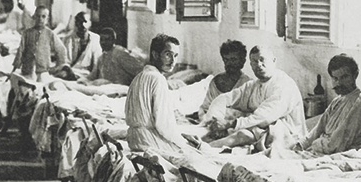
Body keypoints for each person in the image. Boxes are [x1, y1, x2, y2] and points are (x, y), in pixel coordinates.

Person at [204, 47, 305, 149]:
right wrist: (216, 119)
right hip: (260, 129)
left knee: (242, 134)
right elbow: (224, 98)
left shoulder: (284, 84)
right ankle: (205, 145)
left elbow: (264, 116)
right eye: (255, 61)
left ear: (273, 61)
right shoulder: (253, 85)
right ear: (251, 65)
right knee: (229, 126)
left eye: (262, 59)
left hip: (286, 133)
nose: (259, 65)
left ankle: (206, 147)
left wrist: (229, 124)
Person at [124, 34, 194, 164]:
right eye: (168, 54)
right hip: (148, 141)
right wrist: (182, 142)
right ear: (155, 55)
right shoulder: (157, 79)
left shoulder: (139, 77)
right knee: (194, 157)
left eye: (176, 56)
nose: (173, 61)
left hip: (134, 139)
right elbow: (163, 125)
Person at [290, 54, 361, 156]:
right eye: (335, 78)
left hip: (339, 154)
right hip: (322, 148)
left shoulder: (360, 105)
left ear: (355, 75)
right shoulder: (338, 100)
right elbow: (319, 128)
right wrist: (301, 144)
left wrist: (314, 144)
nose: (339, 83)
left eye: (344, 77)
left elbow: (335, 146)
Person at [196, 39, 250, 118]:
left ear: (242, 61)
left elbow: (250, 114)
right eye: (226, 59)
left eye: (233, 60)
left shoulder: (248, 84)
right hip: (212, 122)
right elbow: (205, 108)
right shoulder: (216, 82)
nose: (229, 63)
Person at [13, 4, 70, 78]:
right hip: (27, 69)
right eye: (38, 16)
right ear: (34, 17)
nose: (40, 19)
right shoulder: (27, 33)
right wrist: (16, 66)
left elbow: (61, 49)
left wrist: (59, 66)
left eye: (43, 16)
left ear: (47, 19)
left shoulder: (50, 33)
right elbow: (21, 50)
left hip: (43, 70)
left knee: (43, 82)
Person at [57, 11, 102, 80]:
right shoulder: (67, 39)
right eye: (80, 22)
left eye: (85, 22)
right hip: (69, 73)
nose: (83, 25)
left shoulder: (95, 38)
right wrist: (69, 71)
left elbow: (97, 63)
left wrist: (91, 78)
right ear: (76, 24)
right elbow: (64, 61)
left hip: (87, 75)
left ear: (90, 23)